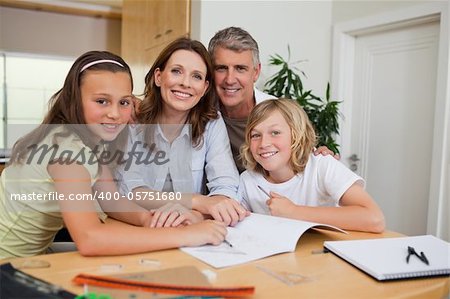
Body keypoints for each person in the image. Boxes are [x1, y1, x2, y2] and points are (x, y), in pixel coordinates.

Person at [0, 51, 226, 259]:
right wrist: (190, 235)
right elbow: (90, 239)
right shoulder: (66, 152)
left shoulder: (90, 141)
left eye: (124, 102)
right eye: (102, 101)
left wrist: (150, 220)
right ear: (75, 99)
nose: (115, 113)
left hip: (35, 255)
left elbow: (111, 200)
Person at [117, 38, 248, 227]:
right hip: (136, 226)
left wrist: (196, 216)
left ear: (205, 88)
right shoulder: (131, 120)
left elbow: (226, 186)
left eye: (196, 76)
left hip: (189, 228)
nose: (186, 83)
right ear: (159, 77)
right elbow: (129, 190)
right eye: (177, 71)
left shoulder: (211, 124)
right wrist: (198, 201)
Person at [238, 99, 385, 233]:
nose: (264, 144)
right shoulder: (247, 181)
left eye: (275, 132)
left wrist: (293, 212)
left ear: (297, 135)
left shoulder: (322, 165)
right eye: (256, 135)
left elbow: (374, 219)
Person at [208, 26, 338, 174]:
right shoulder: (198, 112)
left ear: (256, 72)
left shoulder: (282, 114)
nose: (230, 79)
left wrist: (321, 161)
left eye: (240, 68)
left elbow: (304, 161)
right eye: (221, 68)